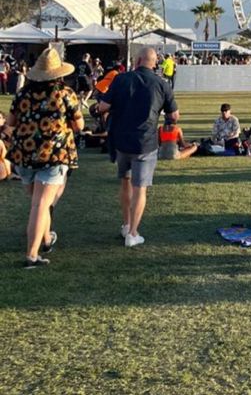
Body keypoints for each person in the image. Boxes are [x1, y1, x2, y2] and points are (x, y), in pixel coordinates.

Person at [6, 47, 84, 268]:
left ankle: (47, 238)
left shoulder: (23, 93)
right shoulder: (64, 93)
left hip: (23, 153)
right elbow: (79, 125)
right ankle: (32, 254)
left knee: (38, 202)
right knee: (41, 204)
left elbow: (11, 122)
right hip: (54, 153)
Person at [97, 46, 178, 248]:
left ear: (139, 60)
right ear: (153, 62)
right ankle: (133, 233)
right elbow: (174, 115)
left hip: (121, 139)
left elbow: (103, 107)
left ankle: (126, 224)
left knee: (125, 182)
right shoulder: (162, 83)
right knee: (140, 188)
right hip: (145, 141)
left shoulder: (121, 79)